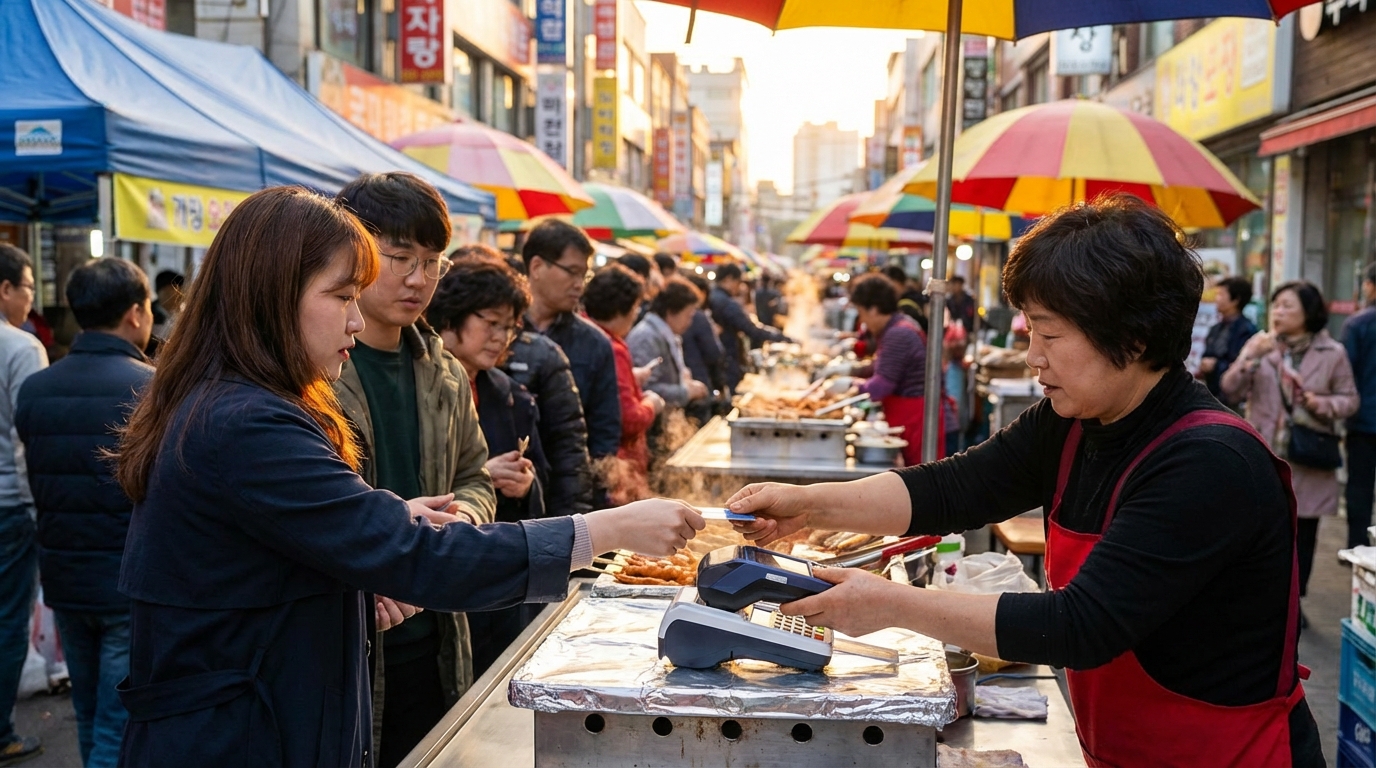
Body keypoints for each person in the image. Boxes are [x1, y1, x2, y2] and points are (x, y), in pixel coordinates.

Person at [110, 186, 704, 766]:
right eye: (342, 296)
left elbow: (290, 548)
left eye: (430, 263)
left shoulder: (241, 401)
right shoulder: (247, 422)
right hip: (238, 736)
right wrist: (606, 530)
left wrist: (385, 530)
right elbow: (417, 556)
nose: (354, 320)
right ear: (271, 296)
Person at [725, 195, 1322, 767]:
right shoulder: (1073, 423)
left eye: (1050, 333)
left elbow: (1080, 626)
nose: (1033, 355)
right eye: (1029, 330)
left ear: (1133, 337)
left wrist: (890, 604)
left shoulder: (1210, 462)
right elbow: (951, 489)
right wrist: (809, 505)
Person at [332, 172, 497, 767]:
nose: (417, 279)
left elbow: (476, 474)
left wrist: (464, 517)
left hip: (437, 635)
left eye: (431, 263)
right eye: (399, 258)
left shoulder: (443, 370)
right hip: (348, 638)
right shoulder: (318, 370)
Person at [15, 258, 154, 768]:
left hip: (64, 576)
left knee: (89, 712)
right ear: (135, 313)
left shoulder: (36, 389)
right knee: (119, 719)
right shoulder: (151, 389)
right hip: (126, 579)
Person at [426, 255, 550, 680]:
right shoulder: (423, 384)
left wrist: (525, 484)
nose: (501, 338)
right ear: (451, 317)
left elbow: (543, 481)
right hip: (435, 575)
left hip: (497, 577)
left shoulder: (510, 394)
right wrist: (481, 477)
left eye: (509, 327)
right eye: (491, 323)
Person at [1223, 280, 1358, 609]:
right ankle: (1265, 598)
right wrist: (1249, 358)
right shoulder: (1262, 346)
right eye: (1276, 305)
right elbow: (1230, 388)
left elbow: (1350, 400)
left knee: (1303, 536)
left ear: (1308, 312)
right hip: (1265, 454)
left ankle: (1293, 602)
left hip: (1307, 456)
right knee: (1261, 530)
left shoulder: (1333, 353)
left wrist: (1320, 404)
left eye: (1287, 306)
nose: (1278, 312)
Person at [520, 221, 622, 469]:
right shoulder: (499, 331)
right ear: (536, 266)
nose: (580, 284)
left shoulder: (595, 343)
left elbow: (605, 430)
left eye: (584, 275)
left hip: (568, 479)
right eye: (572, 272)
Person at [0, 245, 46, 768]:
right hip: (10, 505)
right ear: (5, 289)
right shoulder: (22, 346)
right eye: (29, 286)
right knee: (8, 620)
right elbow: (23, 441)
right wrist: (38, 510)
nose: (31, 297)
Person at [841, 274, 941, 466]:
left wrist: (850, 385)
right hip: (911, 416)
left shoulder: (898, 333)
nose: (862, 321)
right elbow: (885, 365)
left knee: (921, 476)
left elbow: (881, 386)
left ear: (874, 309)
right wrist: (852, 370)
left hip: (917, 420)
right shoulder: (897, 325)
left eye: (861, 312)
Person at [584, 266, 663, 503]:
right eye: (636, 307)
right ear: (622, 309)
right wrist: (652, 404)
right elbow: (627, 419)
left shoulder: (586, 335)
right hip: (618, 471)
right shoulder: (610, 347)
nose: (636, 314)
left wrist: (631, 378)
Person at [628, 277, 709, 415]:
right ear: (671, 312)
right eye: (688, 315)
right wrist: (686, 392)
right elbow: (645, 388)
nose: (689, 322)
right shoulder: (647, 337)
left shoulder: (667, 335)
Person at [709, 263, 789, 393]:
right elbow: (750, 329)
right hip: (727, 359)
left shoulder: (713, 296)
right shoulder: (726, 303)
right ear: (729, 279)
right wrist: (781, 337)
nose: (740, 287)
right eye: (738, 282)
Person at [1345, 264, 1376, 550]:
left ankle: (1359, 546)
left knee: (1360, 487)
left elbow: (1347, 375)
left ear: (1370, 286)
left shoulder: (1358, 324)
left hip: (1364, 421)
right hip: (1364, 418)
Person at [1199, 276, 1258, 401]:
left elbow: (1243, 365)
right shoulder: (1215, 328)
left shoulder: (1247, 330)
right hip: (1213, 394)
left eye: (1221, 294)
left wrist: (1216, 365)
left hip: (1235, 397)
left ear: (1235, 300)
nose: (1216, 299)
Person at [681, 274, 726, 425]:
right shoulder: (698, 317)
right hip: (699, 387)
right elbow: (714, 353)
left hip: (680, 389)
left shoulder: (665, 318)